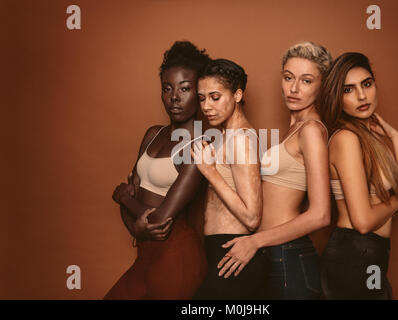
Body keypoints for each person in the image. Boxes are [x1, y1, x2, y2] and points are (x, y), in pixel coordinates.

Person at [215, 42, 332, 299]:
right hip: (274, 253)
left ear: (322, 86)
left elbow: (321, 214)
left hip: (289, 256)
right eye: (288, 77)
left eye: (306, 81)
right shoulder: (295, 129)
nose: (293, 88)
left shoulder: (311, 131)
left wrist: (254, 241)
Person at [105, 41, 211, 299]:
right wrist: (136, 230)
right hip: (145, 256)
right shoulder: (153, 134)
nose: (174, 97)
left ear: (199, 92)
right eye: (167, 88)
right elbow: (136, 196)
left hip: (177, 256)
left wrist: (123, 197)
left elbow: (161, 219)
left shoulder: (200, 146)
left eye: (185, 88)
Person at [318, 52, 398, 299]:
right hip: (353, 254)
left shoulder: (371, 138)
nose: (362, 96)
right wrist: (396, 200)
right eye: (348, 90)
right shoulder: (346, 139)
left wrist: (395, 138)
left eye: (366, 84)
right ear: (336, 97)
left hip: (372, 253)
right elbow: (363, 221)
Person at [191, 58, 269, 299]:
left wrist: (210, 172)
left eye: (215, 97)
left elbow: (252, 217)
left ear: (237, 95)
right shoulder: (227, 136)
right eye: (202, 98)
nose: (206, 106)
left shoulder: (241, 139)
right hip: (221, 251)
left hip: (235, 254)